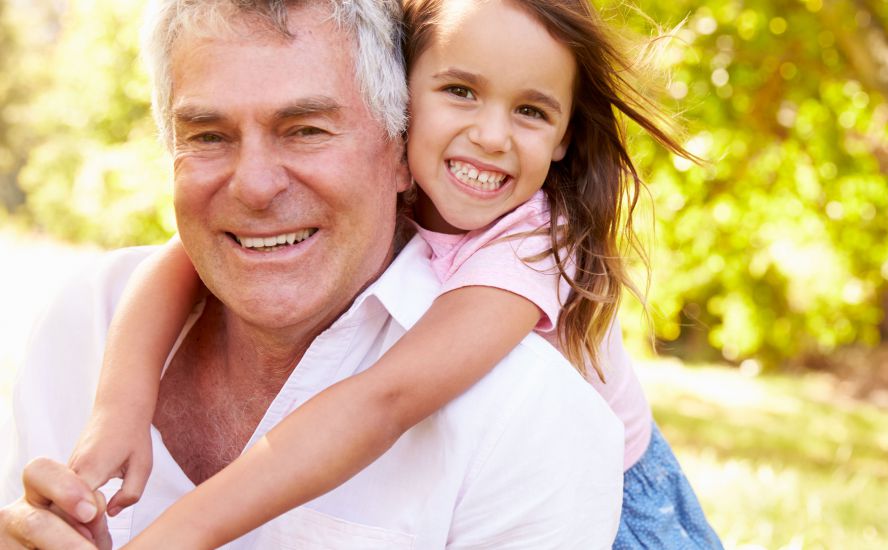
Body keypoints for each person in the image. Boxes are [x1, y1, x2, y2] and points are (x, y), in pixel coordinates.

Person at [67, 0, 724, 547]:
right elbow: (184, 259)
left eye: (531, 110)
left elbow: (384, 403)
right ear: (404, 103)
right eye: (460, 91)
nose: (492, 135)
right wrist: (119, 407)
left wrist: (172, 537)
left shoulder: (528, 249)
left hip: (621, 517)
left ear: (563, 138)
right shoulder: (401, 174)